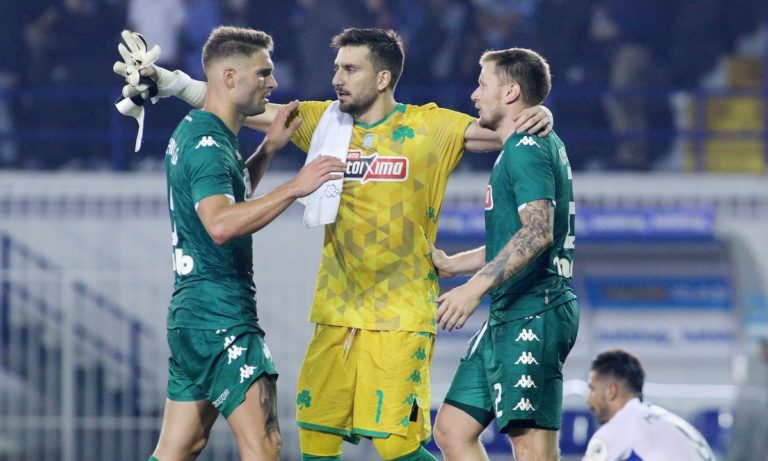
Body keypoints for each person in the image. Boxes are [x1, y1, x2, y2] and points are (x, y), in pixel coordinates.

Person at [114, 27, 554, 460]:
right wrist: (173, 83)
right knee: (316, 438)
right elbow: (241, 103)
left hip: (399, 314)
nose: (337, 78)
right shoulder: (326, 123)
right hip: (335, 312)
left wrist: (539, 118)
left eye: (350, 69)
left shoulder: (429, 126)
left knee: (396, 446)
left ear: (382, 78)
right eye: (337, 68)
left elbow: (503, 130)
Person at [145, 26, 346, 461]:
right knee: (265, 446)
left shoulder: (200, 132)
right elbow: (220, 224)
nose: (273, 83)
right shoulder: (208, 144)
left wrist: (268, 151)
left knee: (180, 447)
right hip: (222, 318)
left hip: (193, 317)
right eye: (263, 73)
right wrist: (296, 186)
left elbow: (227, 199)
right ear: (230, 77)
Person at [428, 48, 578, 461]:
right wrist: (453, 265)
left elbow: (538, 232)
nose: (474, 94)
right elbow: (514, 240)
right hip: (508, 311)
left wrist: (473, 289)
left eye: (482, 84)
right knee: (452, 430)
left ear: (510, 92)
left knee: (530, 448)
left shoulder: (526, 146)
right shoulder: (521, 144)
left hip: (535, 311)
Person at [583, 349, 717, 461]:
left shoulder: (623, 424)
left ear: (611, 391)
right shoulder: (668, 420)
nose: (588, 400)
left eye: (592, 389)